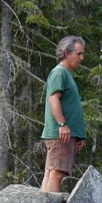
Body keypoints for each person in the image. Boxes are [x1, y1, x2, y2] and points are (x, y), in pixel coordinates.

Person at [41, 36, 86, 192]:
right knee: (56, 173)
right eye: (79, 54)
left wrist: (78, 135)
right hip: (60, 134)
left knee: (51, 172)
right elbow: (53, 98)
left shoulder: (66, 74)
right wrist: (62, 125)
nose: (82, 58)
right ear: (67, 53)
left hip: (66, 134)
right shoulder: (59, 73)